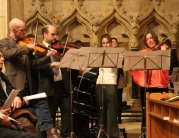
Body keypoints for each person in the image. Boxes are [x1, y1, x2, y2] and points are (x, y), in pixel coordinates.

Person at [0, 18, 60, 138]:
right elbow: (8, 54)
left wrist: (47, 56)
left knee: (41, 104)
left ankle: (48, 133)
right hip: (14, 83)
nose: (25, 32)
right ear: (13, 30)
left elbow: (34, 64)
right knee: (36, 106)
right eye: (22, 30)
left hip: (28, 85)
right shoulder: (4, 42)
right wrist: (26, 48)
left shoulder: (24, 42)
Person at [34, 25, 71, 138]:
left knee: (68, 114)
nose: (55, 37)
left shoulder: (58, 47)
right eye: (52, 34)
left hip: (63, 84)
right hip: (49, 86)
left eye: (56, 34)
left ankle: (65, 135)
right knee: (50, 116)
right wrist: (50, 64)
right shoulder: (37, 49)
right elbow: (35, 66)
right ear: (45, 34)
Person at [130, 30, 170, 131]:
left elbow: (167, 68)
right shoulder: (143, 53)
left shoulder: (162, 49)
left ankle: (161, 132)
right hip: (148, 86)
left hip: (161, 86)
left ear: (155, 38)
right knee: (146, 111)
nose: (149, 41)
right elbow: (133, 66)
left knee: (162, 112)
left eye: (151, 38)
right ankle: (147, 132)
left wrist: (164, 51)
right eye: (147, 39)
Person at [95, 34, 119, 138]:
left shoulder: (116, 53)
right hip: (100, 83)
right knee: (101, 110)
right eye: (103, 43)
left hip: (110, 83)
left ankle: (112, 135)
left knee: (111, 112)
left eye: (107, 43)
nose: (105, 45)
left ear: (111, 43)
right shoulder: (99, 54)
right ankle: (101, 134)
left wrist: (113, 50)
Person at [111, 37, 127, 124]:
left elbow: (123, 63)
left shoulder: (121, 52)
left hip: (119, 76)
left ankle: (119, 118)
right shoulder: (108, 52)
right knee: (112, 98)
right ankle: (112, 117)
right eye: (112, 41)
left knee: (119, 98)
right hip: (111, 76)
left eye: (115, 41)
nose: (114, 43)